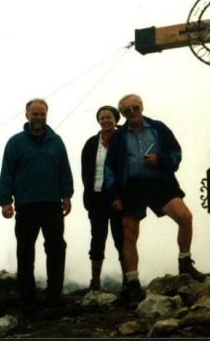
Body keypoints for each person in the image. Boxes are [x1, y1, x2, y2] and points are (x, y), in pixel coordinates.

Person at [104, 94, 205, 303]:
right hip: (131, 187)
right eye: (127, 110)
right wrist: (114, 194)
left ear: (141, 107)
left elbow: (176, 153)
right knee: (129, 232)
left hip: (159, 182)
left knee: (185, 216)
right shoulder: (119, 136)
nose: (132, 112)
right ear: (122, 115)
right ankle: (133, 284)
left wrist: (160, 160)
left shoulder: (158, 127)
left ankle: (185, 263)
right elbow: (110, 167)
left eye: (135, 108)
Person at [0, 98, 74, 311]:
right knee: (25, 251)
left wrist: (67, 195)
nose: (39, 118)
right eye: (35, 114)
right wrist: (5, 201)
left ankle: (54, 295)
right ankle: (27, 298)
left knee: (56, 248)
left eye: (42, 114)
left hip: (52, 205)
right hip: (26, 205)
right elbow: (7, 173)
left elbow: (64, 171)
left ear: (46, 116)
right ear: (27, 115)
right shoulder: (15, 142)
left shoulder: (56, 141)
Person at [81, 105, 125, 291]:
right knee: (97, 239)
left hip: (118, 199)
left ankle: (128, 280)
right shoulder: (91, 143)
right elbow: (86, 172)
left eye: (109, 117)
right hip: (96, 198)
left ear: (116, 119)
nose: (105, 120)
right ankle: (95, 282)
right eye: (102, 118)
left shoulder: (123, 140)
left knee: (121, 238)